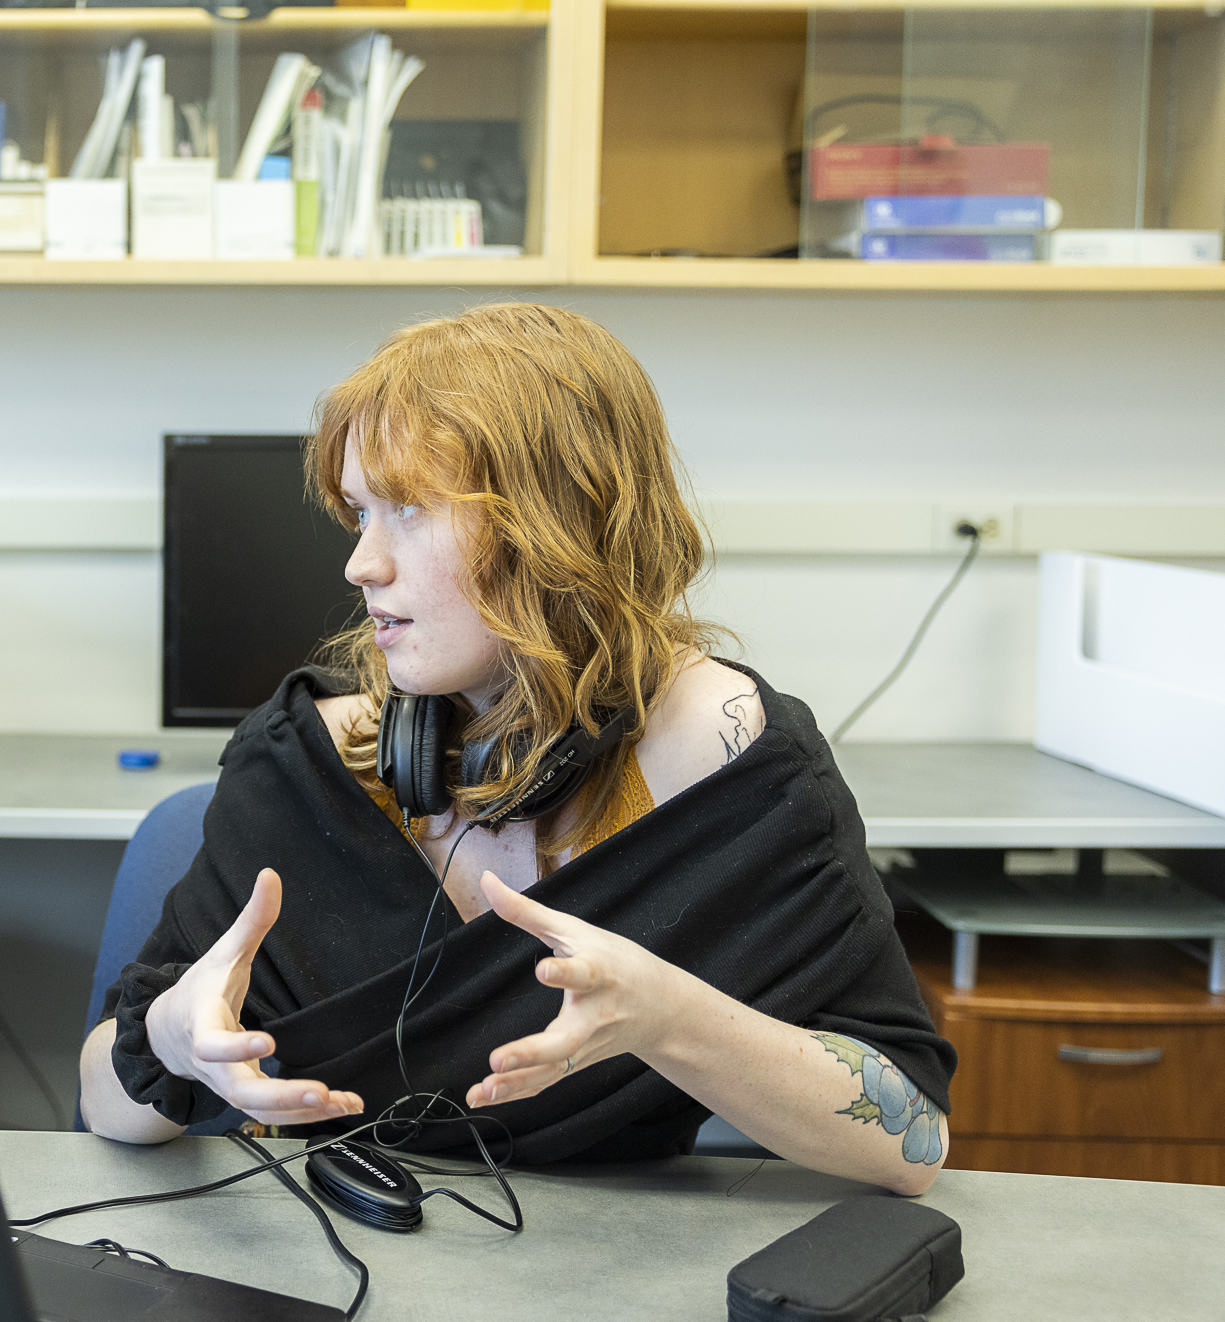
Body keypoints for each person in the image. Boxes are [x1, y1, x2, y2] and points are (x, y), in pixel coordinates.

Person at [81, 303, 954, 1194]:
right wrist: (168, 1040)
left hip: (607, 1290)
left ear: (558, 522)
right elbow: (101, 1100)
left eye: (412, 509)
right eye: (360, 514)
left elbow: (911, 1139)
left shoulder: (733, 764)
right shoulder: (305, 766)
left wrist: (669, 1017)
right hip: (333, 1255)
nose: (360, 565)